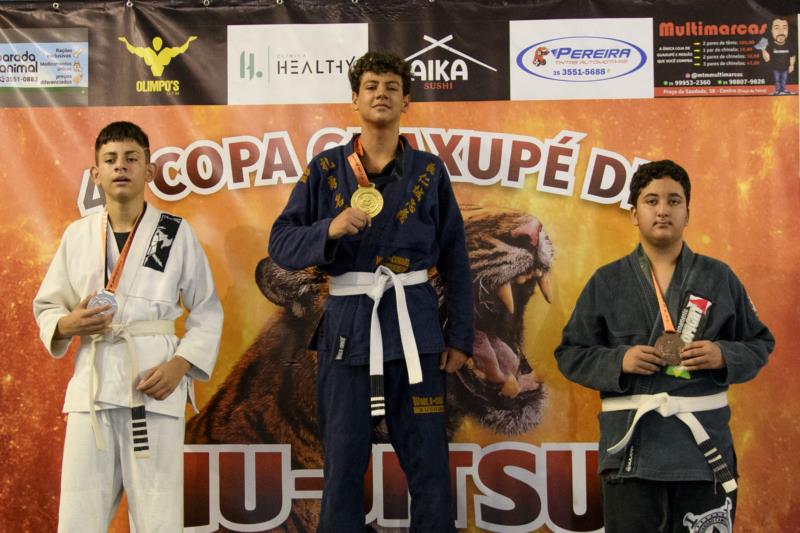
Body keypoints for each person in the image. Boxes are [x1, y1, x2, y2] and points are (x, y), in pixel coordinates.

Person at [268, 51, 473, 532]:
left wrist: (460, 335)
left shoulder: (429, 171)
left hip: (415, 328)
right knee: (341, 466)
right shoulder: (324, 169)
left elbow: (455, 257)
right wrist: (329, 228)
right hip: (348, 331)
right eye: (372, 86)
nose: (381, 94)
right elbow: (280, 243)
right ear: (355, 100)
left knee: (429, 464)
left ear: (407, 100)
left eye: (392, 86)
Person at [554, 160, 773, 532]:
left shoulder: (719, 277)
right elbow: (570, 354)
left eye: (674, 201)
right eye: (651, 200)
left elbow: (759, 343)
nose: (662, 210)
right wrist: (620, 361)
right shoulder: (607, 281)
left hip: (704, 453)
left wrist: (723, 355)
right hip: (631, 455)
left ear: (688, 213)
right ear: (633, 214)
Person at [33, 121, 223, 532]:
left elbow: (207, 310)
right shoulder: (77, 235)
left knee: (159, 516)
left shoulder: (175, 233)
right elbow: (48, 307)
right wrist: (67, 324)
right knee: (79, 516)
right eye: (110, 159)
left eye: (131, 158)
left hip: (153, 386)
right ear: (95, 173)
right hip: (92, 390)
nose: (121, 166)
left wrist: (180, 366)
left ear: (149, 170)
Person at [760, 17, 796, 95]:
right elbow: (767, 59)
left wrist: (792, 65)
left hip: (785, 68)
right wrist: (763, 49)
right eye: (776, 28)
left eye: (784, 28)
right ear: (771, 31)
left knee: (784, 80)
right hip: (776, 68)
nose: (781, 31)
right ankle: (777, 91)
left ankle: (783, 90)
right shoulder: (770, 45)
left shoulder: (789, 45)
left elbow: (792, 56)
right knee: (777, 80)